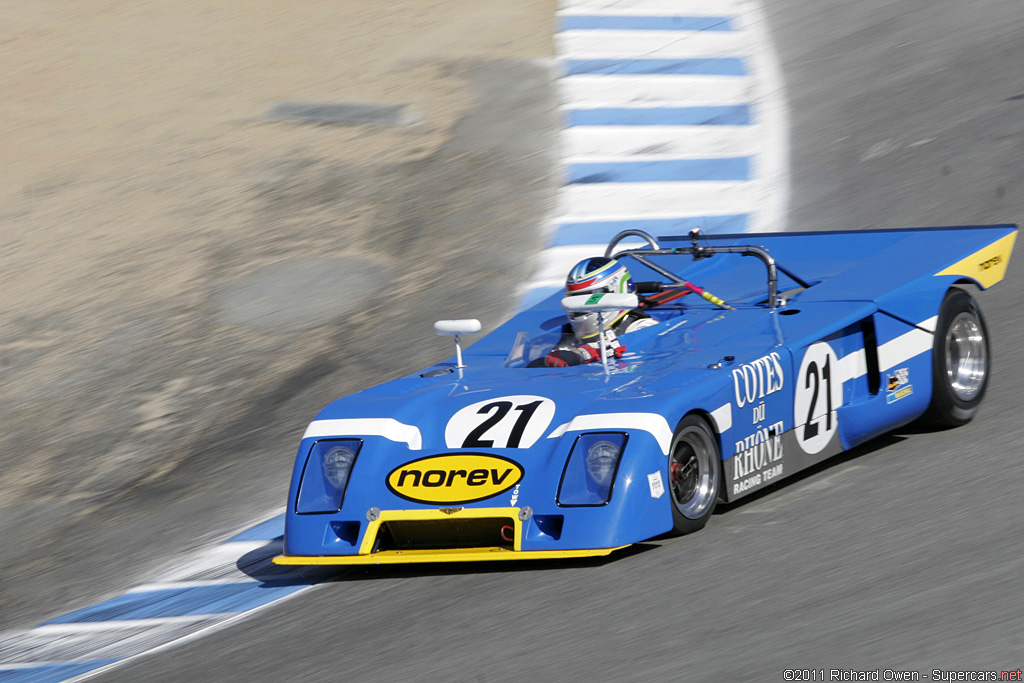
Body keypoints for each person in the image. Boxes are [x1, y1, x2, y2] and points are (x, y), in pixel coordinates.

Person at [539, 256, 658, 367]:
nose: (580, 305)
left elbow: (638, 349)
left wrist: (582, 354)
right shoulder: (569, 334)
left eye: (588, 298)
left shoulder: (643, 327)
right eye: (574, 298)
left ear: (615, 292)